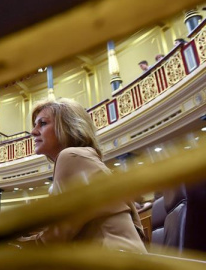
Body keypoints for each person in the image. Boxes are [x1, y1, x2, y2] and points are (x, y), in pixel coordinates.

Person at [18, 98, 146, 253]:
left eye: (43, 123)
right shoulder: (82, 158)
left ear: (67, 127)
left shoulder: (71, 156)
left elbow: (58, 234)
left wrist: (14, 245)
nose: (33, 131)